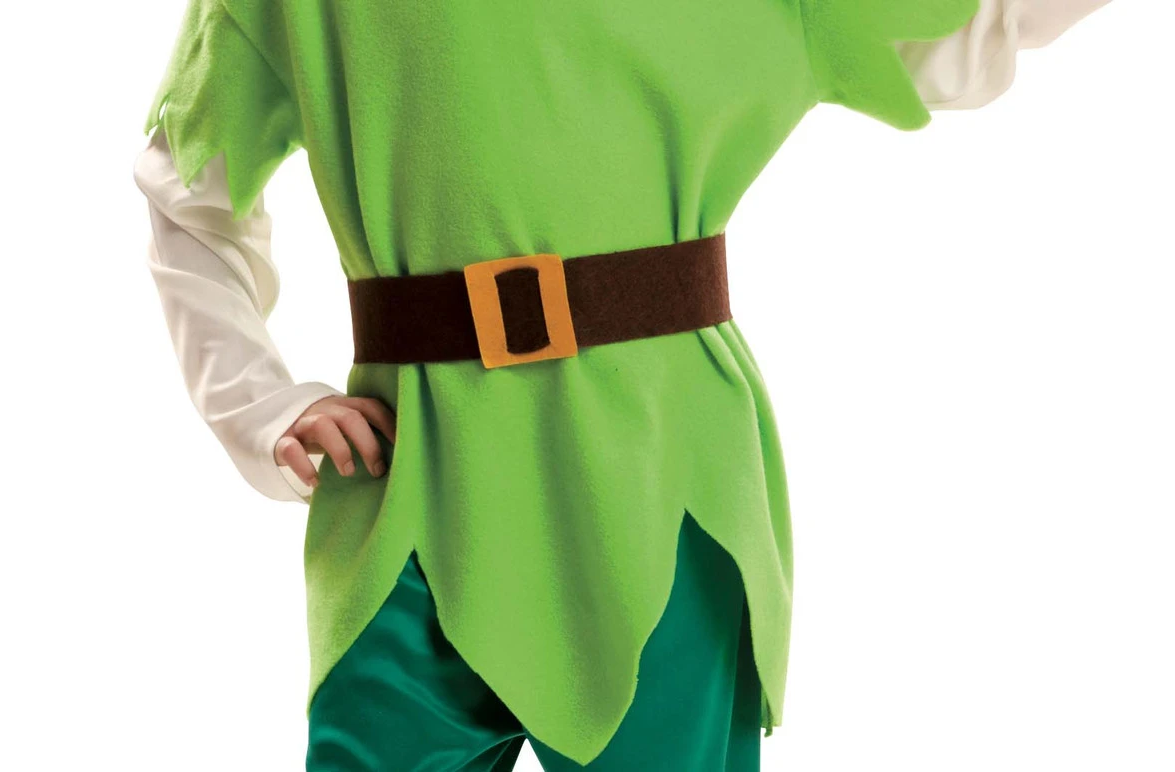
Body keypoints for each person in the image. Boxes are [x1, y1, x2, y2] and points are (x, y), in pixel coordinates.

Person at [134, 1, 1111, 769]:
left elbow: (965, 24)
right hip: (407, 493)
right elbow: (189, 190)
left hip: (658, 490)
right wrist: (260, 403)